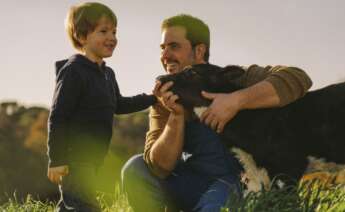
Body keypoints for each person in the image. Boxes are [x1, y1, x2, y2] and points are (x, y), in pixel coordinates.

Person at [121, 14, 312, 211]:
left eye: (174, 46)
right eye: (163, 48)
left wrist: (235, 100)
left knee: (216, 202)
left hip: (240, 182)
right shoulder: (163, 100)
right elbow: (159, 168)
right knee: (136, 168)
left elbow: (298, 78)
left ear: (199, 50)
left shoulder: (231, 77)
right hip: (194, 182)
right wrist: (176, 117)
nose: (165, 55)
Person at [46, 2, 156, 211]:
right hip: (74, 157)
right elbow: (58, 116)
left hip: (94, 158)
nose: (112, 37)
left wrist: (152, 98)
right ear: (82, 36)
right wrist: (56, 159)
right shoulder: (73, 71)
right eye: (103, 31)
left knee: (73, 205)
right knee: (84, 205)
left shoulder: (107, 74)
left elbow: (119, 104)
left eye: (114, 31)